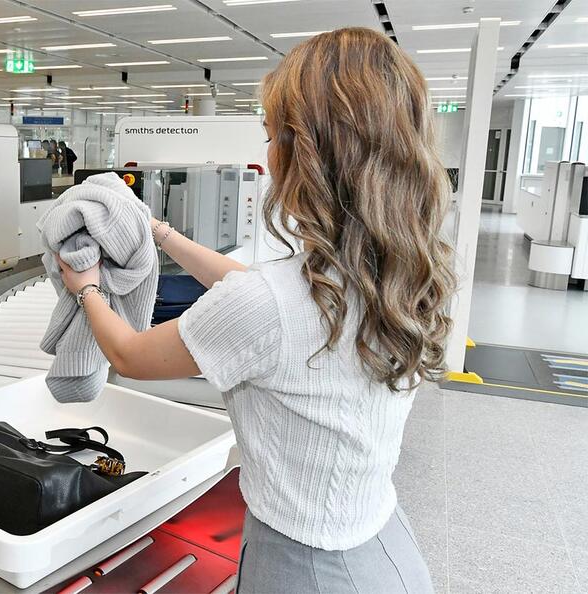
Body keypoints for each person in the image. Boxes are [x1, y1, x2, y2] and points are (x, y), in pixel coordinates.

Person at [55, 28, 454, 593]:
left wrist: (86, 287)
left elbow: (130, 355)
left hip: (308, 569)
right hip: (386, 547)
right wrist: (161, 233)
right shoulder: (396, 272)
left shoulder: (273, 303)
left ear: (306, 150)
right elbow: (276, 299)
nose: (266, 154)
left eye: (272, 135)